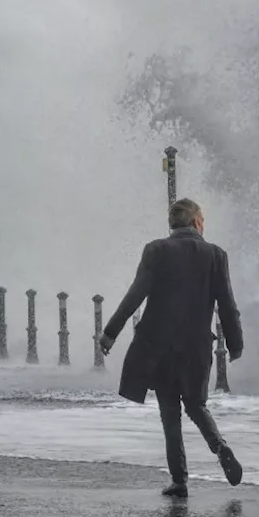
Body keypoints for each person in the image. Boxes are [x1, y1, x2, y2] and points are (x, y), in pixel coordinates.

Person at [98, 198, 245, 497]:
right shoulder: (216, 255)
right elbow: (227, 305)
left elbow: (135, 295)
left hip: (161, 346)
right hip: (196, 346)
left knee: (169, 410)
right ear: (196, 223)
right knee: (195, 404)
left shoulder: (156, 250)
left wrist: (111, 332)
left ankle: (179, 480)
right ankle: (220, 446)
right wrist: (235, 343)